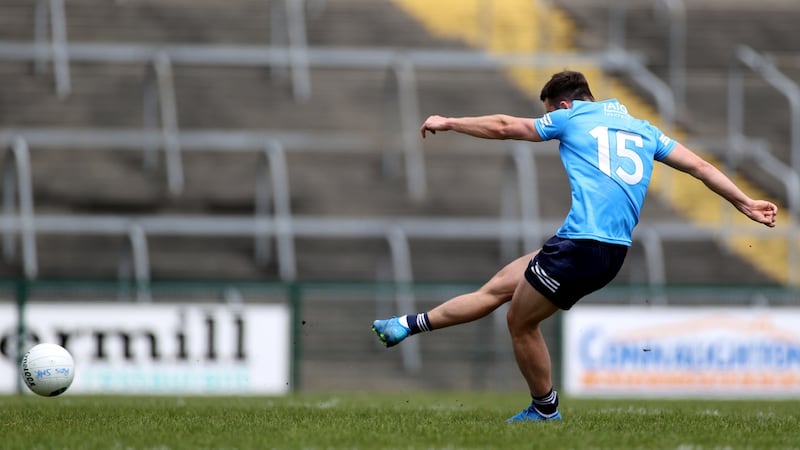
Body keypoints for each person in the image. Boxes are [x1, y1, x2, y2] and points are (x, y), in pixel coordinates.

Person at [371, 70, 778, 422]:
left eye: (550, 111)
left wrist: (449, 121)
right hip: (601, 247)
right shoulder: (644, 128)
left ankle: (545, 409)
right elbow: (702, 167)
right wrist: (745, 202)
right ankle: (407, 325)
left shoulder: (572, 118)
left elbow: (503, 126)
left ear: (563, 104)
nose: (549, 120)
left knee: (520, 321)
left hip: (582, 245)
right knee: (498, 287)